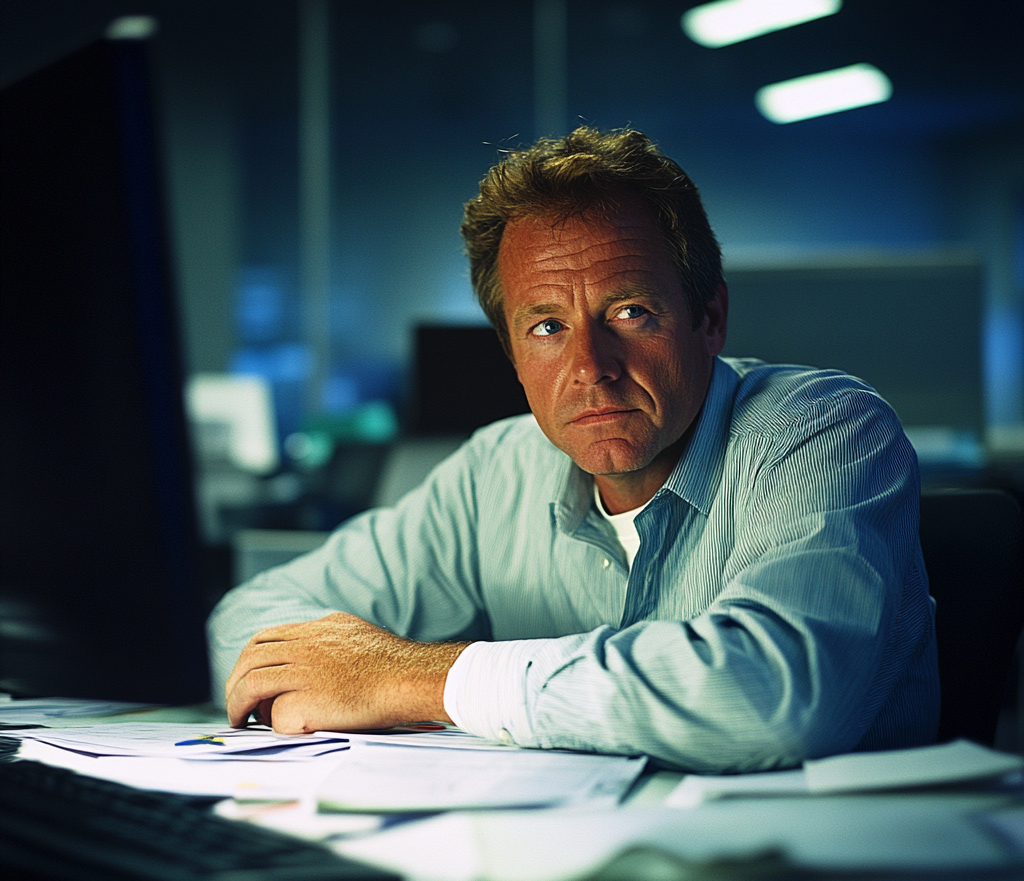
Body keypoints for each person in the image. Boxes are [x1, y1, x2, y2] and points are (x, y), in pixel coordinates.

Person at [211, 127, 939, 772]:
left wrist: (413, 678)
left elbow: (773, 696)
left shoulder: (821, 432)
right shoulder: (494, 471)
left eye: (630, 312)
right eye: (547, 328)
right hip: (580, 872)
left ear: (708, 318)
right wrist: (326, 674)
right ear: (512, 354)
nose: (592, 367)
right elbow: (252, 617)